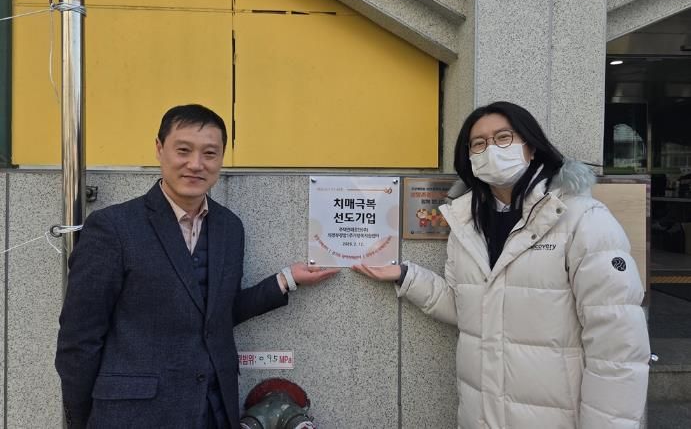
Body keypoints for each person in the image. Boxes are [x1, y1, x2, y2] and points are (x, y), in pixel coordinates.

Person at [353, 101, 650, 428]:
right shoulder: (467, 223)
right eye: (478, 143)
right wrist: (407, 276)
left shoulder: (582, 219)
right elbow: (469, 308)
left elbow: (618, 348)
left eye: (503, 137)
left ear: (531, 147)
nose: (491, 149)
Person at [55, 104, 339, 429]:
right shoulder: (114, 227)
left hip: (214, 409)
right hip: (134, 416)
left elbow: (217, 315)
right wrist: (83, 420)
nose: (195, 164)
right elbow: (79, 339)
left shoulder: (229, 227)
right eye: (183, 150)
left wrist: (287, 279)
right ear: (159, 149)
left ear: (221, 158)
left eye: (209, 153)